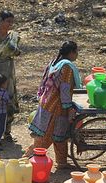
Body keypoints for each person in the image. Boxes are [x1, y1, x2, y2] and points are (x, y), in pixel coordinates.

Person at [24, 41, 81, 169]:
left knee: (60, 135)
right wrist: (69, 107)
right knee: (47, 136)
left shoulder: (55, 62)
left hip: (47, 102)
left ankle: (62, 162)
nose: (77, 55)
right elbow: (65, 89)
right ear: (71, 52)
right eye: (76, 52)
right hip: (56, 106)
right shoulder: (66, 67)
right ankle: (27, 161)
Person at [0, 10, 21, 142]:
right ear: (0, 20)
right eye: (8, 21)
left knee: (9, 100)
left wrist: (15, 50)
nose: (10, 24)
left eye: (12, 22)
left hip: (8, 71)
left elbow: (16, 53)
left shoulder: (12, 36)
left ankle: (7, 132)